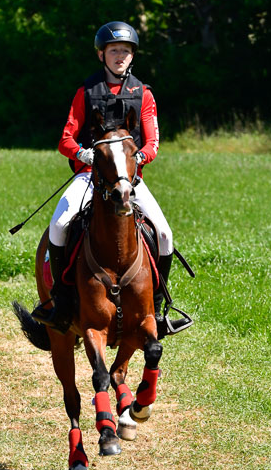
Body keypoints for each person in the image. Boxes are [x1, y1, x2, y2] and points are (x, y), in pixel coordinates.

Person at [33, 21, 189, 337]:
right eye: (114, 50)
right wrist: (84, 154)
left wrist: (138, 159)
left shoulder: (144, 94)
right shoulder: (85, 92)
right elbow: (65, 139)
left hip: (128, 180)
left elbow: (152, 142)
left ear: (133, 56)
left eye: (126, 51)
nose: (120, 56)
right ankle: (61, 303)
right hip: (90, 175)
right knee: (60, 224)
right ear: (101, 54)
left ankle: (158, 310)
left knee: (164, 233)